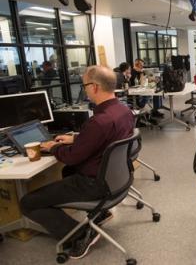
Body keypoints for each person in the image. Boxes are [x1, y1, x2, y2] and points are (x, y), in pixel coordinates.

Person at [20, 66, 135, 259]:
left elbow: (72, 157)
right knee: (68, 172)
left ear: (95, 87)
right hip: (117, 180)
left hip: (94, 184)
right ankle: (100, 213)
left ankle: (81, 234)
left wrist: (53, 147)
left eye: (85, 85)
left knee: (28, 203)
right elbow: (107, 138)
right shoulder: (124, 111)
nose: (85, 89)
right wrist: (77, 139)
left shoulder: (99, 121)